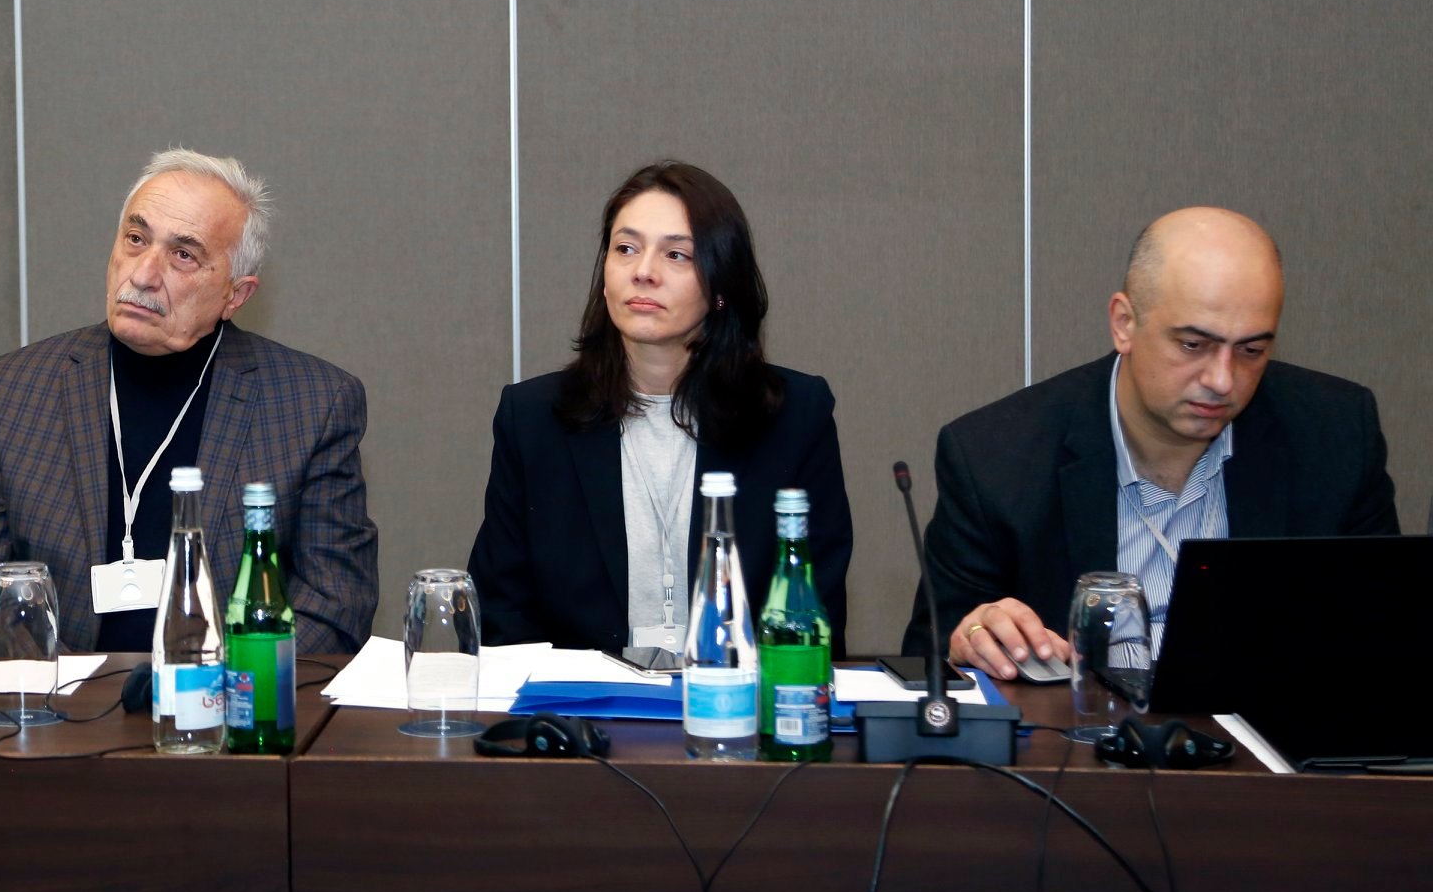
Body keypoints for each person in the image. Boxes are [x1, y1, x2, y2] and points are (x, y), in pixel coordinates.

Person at [905, 207, 1398, 677]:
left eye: (1251, 350)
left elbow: (1388, 637)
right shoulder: (995, 458)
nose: (1223, 380)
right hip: (1075, 733)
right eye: (1193, 345)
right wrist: (970, 639)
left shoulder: (1336, 435)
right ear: (1124, 323)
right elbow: (928, 657)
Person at [0, 148, 377, 654]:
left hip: (224, 694)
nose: (143, 274)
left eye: (183, 255)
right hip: (58, 695)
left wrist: (199, 685)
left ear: (235, 295)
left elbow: (334, 605)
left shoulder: (313, 404)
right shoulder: (15, 390)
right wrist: (68, 686)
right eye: (136, 239)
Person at [468, 160, 854, 661]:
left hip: (739, 699)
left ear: (721, 286)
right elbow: (502, 617)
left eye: (676, 255)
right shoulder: (534, 419)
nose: (643, 272)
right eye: (626, 248)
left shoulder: (794, 416)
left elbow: (813, 613)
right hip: (582, 705)